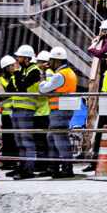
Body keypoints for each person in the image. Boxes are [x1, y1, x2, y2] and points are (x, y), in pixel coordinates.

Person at [38, 46, 79, 178]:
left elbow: (43, 89)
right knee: (52, 137)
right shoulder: (70, 73)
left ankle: (67, 167)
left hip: (60, 109)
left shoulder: (59, 75)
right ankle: (54, 167)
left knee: (60, 139)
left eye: (51, 61)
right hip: (64, 109)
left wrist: (43, 75)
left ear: (57, 61)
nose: (49, 64)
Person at [8, 44, 42, 179]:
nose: (17, 59)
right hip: (17, 108)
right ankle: (22, 167)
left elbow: (21, 87)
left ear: (26, 58)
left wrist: (16, 73)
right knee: (19, 141)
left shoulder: (34, 70)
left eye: (19, 57)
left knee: (26, 141)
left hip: (27, 109)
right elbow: (11, 89)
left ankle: (28, 170)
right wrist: (18, 76)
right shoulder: (23, 71)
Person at [0, 55, 18, 172]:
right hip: (6, 112)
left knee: (16, 138)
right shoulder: (0, 80)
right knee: (8, 138)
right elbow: (2, 94)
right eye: (12, 65)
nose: (15, 67)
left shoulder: (16, 78)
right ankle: (8, 161)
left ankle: (15, 160)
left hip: (16, 110)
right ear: (6, 67)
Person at [32, 50, 53, 176]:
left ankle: (44, 165)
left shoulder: (48, 73)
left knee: (42, 141)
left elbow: (45, 89)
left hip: (44, 112)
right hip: (39, 111)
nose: (37, 64)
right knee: (40, 141)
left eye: (39, 62)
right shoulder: (41, 73)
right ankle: (41, 164)